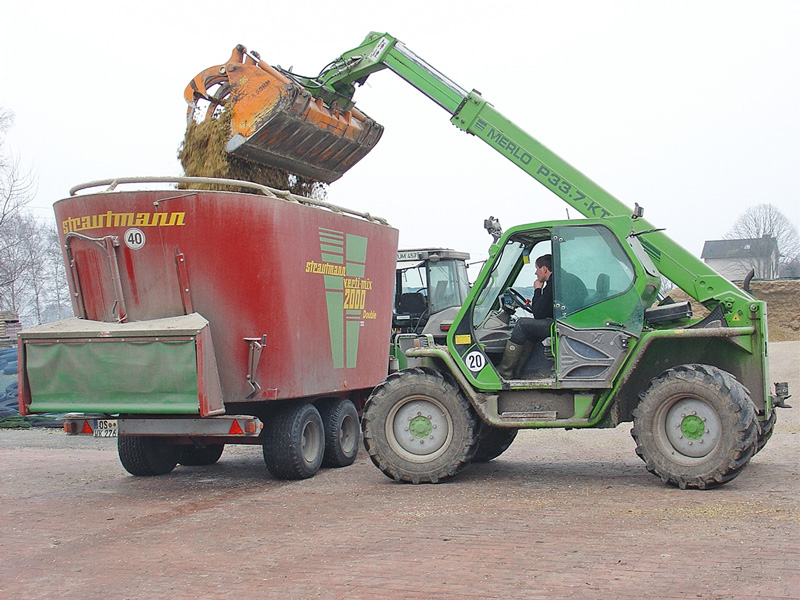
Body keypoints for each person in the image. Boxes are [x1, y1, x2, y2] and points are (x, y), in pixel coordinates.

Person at [496, 254, 554, 379]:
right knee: (531, 331)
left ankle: (504, 372)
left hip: (558, 325)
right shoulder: (558, 281)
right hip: (563, 322)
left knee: (522, 324)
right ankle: (518, 372)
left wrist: (537, 290)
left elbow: (538, 314)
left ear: (544, 269)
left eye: (537, 269)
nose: (535, 273)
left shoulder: (552, 284)